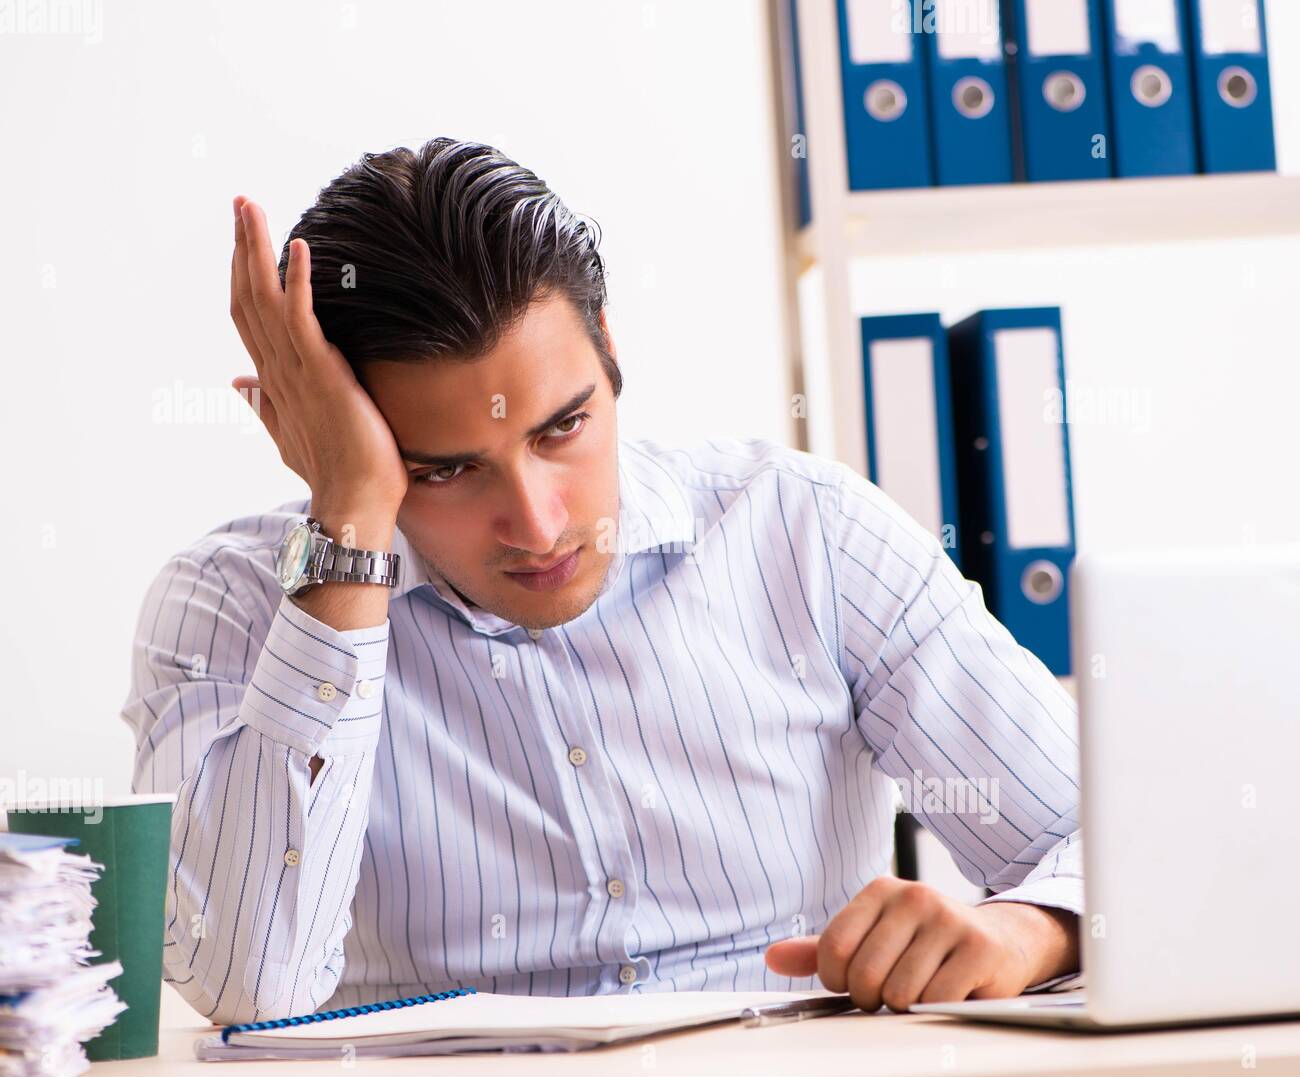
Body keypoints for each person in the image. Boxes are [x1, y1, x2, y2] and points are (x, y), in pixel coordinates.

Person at [122, 138, 1081, 1026]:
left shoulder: (808, 533)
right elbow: (249, 978)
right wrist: (349, 527)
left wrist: (1031, 929)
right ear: (331, 437)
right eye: (444, 469)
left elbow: (1108, 838)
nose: (538, 523)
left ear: (609, 348)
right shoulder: (228, 608)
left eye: (561, 428)